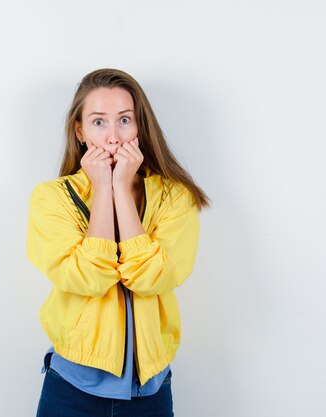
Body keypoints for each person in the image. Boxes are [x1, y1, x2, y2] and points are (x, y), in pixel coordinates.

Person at [26, 68, 211, 417]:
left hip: (150, 389)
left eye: (124, 120)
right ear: (80, 131)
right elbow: (87, 279)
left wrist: (121, 190)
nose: (113, 136)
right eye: (99, 122)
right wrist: (101, 191)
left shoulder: (174, 197)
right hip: (71, 385)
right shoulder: (51, 198)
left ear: (140, 126)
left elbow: (153, 278)